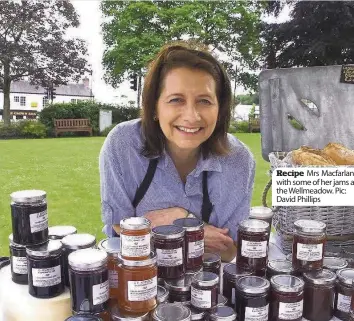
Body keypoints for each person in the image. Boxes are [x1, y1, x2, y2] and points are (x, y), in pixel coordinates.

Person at [99, 41, 255, 262]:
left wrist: (177, 220)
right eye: (176, 100)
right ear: (154, 107)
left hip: (204, 283)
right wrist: (195, 230)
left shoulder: (239, 160)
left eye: (204, 101)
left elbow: (228, 249)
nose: (191, 116)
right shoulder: (123, 144)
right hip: (135, 277)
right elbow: (120, 227)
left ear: (220, 109)